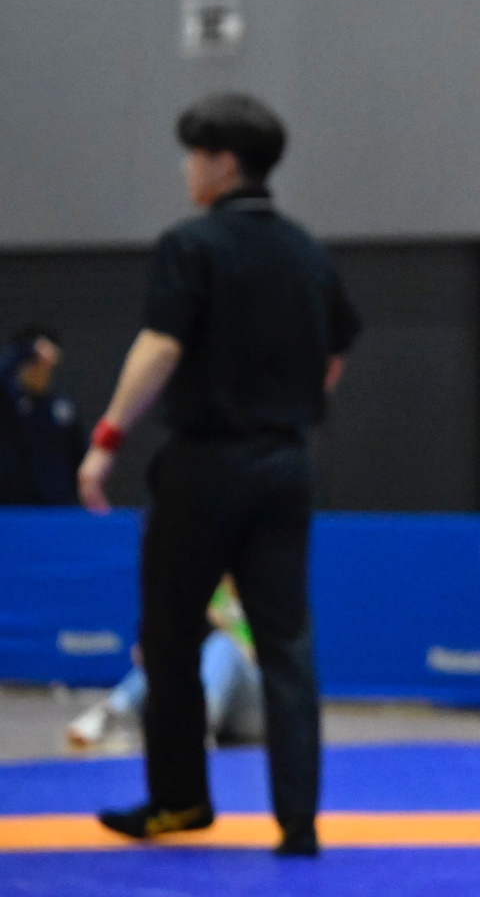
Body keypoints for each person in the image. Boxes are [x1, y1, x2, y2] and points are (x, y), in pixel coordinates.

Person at [79, 94, 358, 857]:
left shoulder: (192, 244)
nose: (186, 169)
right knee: (287, 643)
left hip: (208, 463)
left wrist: (107, 437)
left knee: (170, 633)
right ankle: (298, 821)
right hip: (286, 463)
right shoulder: (307, 252)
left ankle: (179, 800)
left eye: (194, 156)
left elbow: (161, 346)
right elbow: (337, 349)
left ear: (223, 163)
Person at [68, 578, 265, 752]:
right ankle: (112, 712)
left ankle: (196, 724)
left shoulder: (267, 592)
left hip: (256, 706)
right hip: (211, 703)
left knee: (224, 646)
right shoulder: (211, 598)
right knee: (171, 655)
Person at [1, 325, 84, 506]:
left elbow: (78, 455)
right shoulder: (7, 401)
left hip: (56, 504)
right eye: (33, 362)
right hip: (11, 505)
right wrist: (27, 350)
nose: (39, 369)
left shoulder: (62, 406)